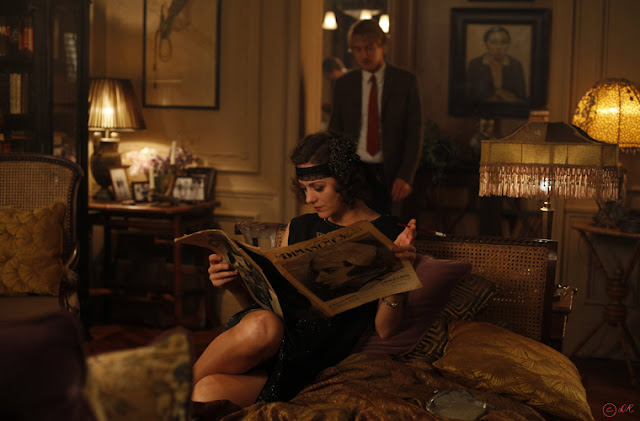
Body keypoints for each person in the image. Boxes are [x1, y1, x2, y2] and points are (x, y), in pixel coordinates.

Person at [192, 132, 417, 407]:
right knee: (263, 324)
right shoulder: (300, 227)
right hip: (264, 339)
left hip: (307, 363)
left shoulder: (387, 233)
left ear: (345, 181)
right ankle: (164, 397)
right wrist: (234, 284)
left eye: (318, 188)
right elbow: (270, 306)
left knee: (204, 392)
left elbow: (385, 330)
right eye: (304, 188)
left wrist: (399, 275)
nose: (309, 198)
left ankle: (164, 398)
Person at [329, 19, 422, 217]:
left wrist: (405, 175)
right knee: (354, 226)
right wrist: (337, 173)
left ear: (382, 46)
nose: (364, 55)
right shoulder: (344, 84)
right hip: (354, 169)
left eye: (369, 48)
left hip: (390, 170)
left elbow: (414, 133)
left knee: (390, 227)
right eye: (357, 49)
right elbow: (335, 131)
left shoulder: (404, 82)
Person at [466, 26, 527, 105]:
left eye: (503, 42)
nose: (498, 47)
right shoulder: (475, 64)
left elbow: (522, 97)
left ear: (508, 44)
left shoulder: (515, 65)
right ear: (486, 44)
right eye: (493, 42)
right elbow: (468, 96)